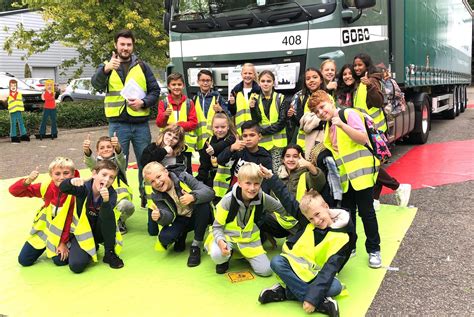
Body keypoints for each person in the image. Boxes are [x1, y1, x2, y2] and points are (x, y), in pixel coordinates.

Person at [310, 90, 382, 268]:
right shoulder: (328, 126)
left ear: (331, 101)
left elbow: (362, 138)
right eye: (317, 112)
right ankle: (351, 245)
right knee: (348, 214)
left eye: (322, 106)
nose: (321, 112)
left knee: (367, 213)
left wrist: (342, 125)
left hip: (361, 175)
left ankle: (374, 250)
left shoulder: (348, 114)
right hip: (345, 179)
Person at [91, 29, 160, 209]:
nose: (125, 48)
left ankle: (146, 197)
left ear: (133, 46)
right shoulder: (106, 66)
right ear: (116, 45)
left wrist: (143, 102)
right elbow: (96, 85)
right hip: (117, 124)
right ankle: (119, 200)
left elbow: (155, 92)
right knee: (116, 165)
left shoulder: (143, 66)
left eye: (129, 44)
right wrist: (105, 70)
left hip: (140, 124)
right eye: (122, 44)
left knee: (145, 162)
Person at [258, 191, 355, 317]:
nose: (316, 221)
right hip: (299, 272)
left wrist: (311, 298)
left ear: (326, 206)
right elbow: (288, 200)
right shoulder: (308, 227)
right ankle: (321, 303)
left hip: (319, 277)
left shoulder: (343, 238)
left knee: (335, 287)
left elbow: (329, 270)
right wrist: (311, 299)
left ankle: (285, 292)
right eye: (311, 218)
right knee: (276, 261)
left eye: (317, 214)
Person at [204, 162, 295, 276]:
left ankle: (244, 255)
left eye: (256, 183)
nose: (252, 188)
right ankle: (226, 258)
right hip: (229, 238)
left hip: (249, 241)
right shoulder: (227, 200)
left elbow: (283, 209)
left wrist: (299, 222)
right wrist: (221, 242)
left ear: (261, 184)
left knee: (266, 271)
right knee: (217, 255)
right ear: (239, 183)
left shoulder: (263, 198)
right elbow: (217, 227)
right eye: (248, 183)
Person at [143, 162, 214, 267]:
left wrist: (193, 197)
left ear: (166, 172)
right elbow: (169, 218)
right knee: (165, 238)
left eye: (158, 176)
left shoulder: (184, 177)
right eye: (152, 181)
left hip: (197, 214)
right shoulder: (156, 195)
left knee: (203, 205)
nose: (157, 182)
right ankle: (181, 234)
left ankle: (196, 245)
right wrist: (160, 216)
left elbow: (210, 192)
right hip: (181, 219)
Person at [9, 157, 77, 267]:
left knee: (60, 261)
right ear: (51, 175)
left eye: (66, 173)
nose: (61, 177)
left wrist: (62, 242)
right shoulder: (46, 187)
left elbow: (69, 220)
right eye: (57, 174)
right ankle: (48, 246)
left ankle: (71, 245)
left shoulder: (76, 191)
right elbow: (14, 191)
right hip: (44, 231)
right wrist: (28, 181)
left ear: (73, 174)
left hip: (63, 234)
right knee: (24, 261)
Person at [60, 160, 124, 273]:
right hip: (83, 233)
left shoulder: (112, 194)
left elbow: (107, 217)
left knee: (109, 216)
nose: (107, 180)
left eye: (111, 177)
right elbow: (63, 188)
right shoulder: (83, 187)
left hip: (101, 233)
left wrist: (105, 201)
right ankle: (91, 248)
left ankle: (109, 253)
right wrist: (70, 181)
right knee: (76, 266)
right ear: (94, 174)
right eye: (104, 175)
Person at [83, 133, 134, 234]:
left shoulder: (119, 163)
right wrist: (87, 151)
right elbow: (91, 163)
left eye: (109, 147)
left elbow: (120, 158)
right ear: (97, 151)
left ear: (113, 148)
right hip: (101, 199)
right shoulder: (96, 164)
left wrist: (118, 147)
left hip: (119, 200)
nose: (105, 149)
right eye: (102, 147)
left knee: (127, 205)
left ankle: (119, 221)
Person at [140, 124, 187, 236]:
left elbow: (184, 171)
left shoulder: (180, 153)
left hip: (171, 188)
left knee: (173, 210)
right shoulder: (152, 147)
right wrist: (164, 151)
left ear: (179, 141)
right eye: (169, 134)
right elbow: (145, 162)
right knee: (152, 230)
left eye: (175, 138)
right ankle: (154, 223)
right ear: (163, 133)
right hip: (153, 189)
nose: (171, 138)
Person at [156, 72, 202, 174]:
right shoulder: (164, 102)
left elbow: (193, 123)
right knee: (166, 170)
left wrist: (177, 125)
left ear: (183, 85)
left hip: (185, 146)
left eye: (179, 84)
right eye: (173, 84)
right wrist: (164, 115)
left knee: (186, 172)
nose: (176, 87)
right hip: (167, 144)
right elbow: (159, 124)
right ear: (168, 86)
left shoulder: (189, 103)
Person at [216, 120, 273, 195]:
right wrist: (231, 148)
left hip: (254, 195)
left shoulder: (265, 157)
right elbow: (220, 161)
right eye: (245, 136)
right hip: (234, 193)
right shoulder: (239, 151)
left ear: (259, 137)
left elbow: (266, 184)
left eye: (252, 135)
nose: (248, 138)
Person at [252, 70, 288, 172]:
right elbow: (256, 120)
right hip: (263, 144)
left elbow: (282, 121)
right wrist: (252, 109)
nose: (266, 83)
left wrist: (263, 131)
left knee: (276, 172)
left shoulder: (281, 98)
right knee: (263, 172)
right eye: (263, 81)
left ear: (273, 82)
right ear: (259, 83)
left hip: (278, 144)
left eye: (269, 81)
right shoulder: (255, 99)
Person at [196, 113, 237, 194]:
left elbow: (224, 145)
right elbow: (204, 163)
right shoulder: (209, 140)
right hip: (212, 179)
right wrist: (199, 180)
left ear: (228, 127)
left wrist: (214, 149)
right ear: (212, 128)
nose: (220, 130)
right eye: (216, 127)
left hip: (228, 182)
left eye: (223, 127)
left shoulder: (232, 139)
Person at [193, 69, 230, 149]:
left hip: (216, 142)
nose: (205, 83)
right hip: (199, 144)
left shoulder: (217, 97)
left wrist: (221, 110)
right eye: (202, 80)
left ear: (212, 82)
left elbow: (229, 114)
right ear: (198, 82)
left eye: (208, 80)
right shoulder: (194, 99)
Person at [292, 68, 326, 151]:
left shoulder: (327, 97)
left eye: (315, 77)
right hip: (303, 143)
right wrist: (292, 116)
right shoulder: (300, 97)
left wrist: (309, 123)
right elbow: (299, 122)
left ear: (321, 80)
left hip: (319, 141)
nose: (311, 80)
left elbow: (326, 120)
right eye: (308, 79)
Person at [352, 53, 386, 132]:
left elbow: (379, 103)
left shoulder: (372, 81)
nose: (356, 68)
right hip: (365, 128)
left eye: (360, 65)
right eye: (355, 65)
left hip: (376, 130)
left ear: (367, 66)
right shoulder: (360, 82)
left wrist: (370, 86)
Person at [228, 63, 261, 133]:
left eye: (250, 73)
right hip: (240, 131)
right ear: (241, 74)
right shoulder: (235, 91)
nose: (247, 75)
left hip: (254, 131)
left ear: (254, 75)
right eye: (245, 73)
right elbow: (232, 112)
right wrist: (232, 104)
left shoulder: (259, 91)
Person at [7, 79, 29, 143]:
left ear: (17, 86)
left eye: (15, 85)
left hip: (18, 110)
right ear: (10, 87)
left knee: (21, 122)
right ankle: (13, 136)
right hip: (13, 111)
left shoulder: (19, 94)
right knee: (13, 123)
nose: (13, 87)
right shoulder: (9, 95)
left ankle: (23, 135)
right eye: (12, 85)